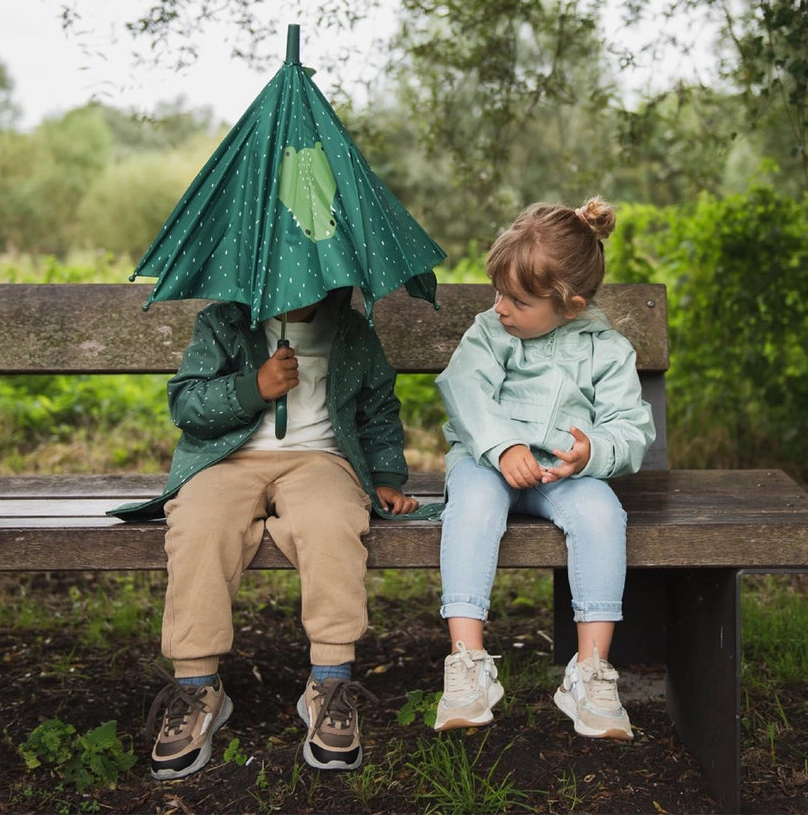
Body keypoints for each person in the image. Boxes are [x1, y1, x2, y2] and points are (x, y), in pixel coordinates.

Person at [110, 287, 423, 779]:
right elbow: (187, 405)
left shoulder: (352, 330)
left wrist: (386, 476)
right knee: (200, 526)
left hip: (321, 461)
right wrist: (253, 387)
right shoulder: (222, 323)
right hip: (225, 460)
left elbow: (378, 405)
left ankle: (330, 682)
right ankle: (197, 685)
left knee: (332, 524)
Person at [432, 198, 656, 739]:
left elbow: (632, 426)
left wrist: (592, 452)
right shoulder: (492, 331)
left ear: (572, 306)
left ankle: (591, 673)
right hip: (488, 463)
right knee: (474, 506)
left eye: (518, 300)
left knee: (603, 513)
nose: (501, 307)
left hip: (563, 474)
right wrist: (504, 445)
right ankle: (467, 664)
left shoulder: (608, 350)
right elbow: (464, 387)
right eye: (499, 293)